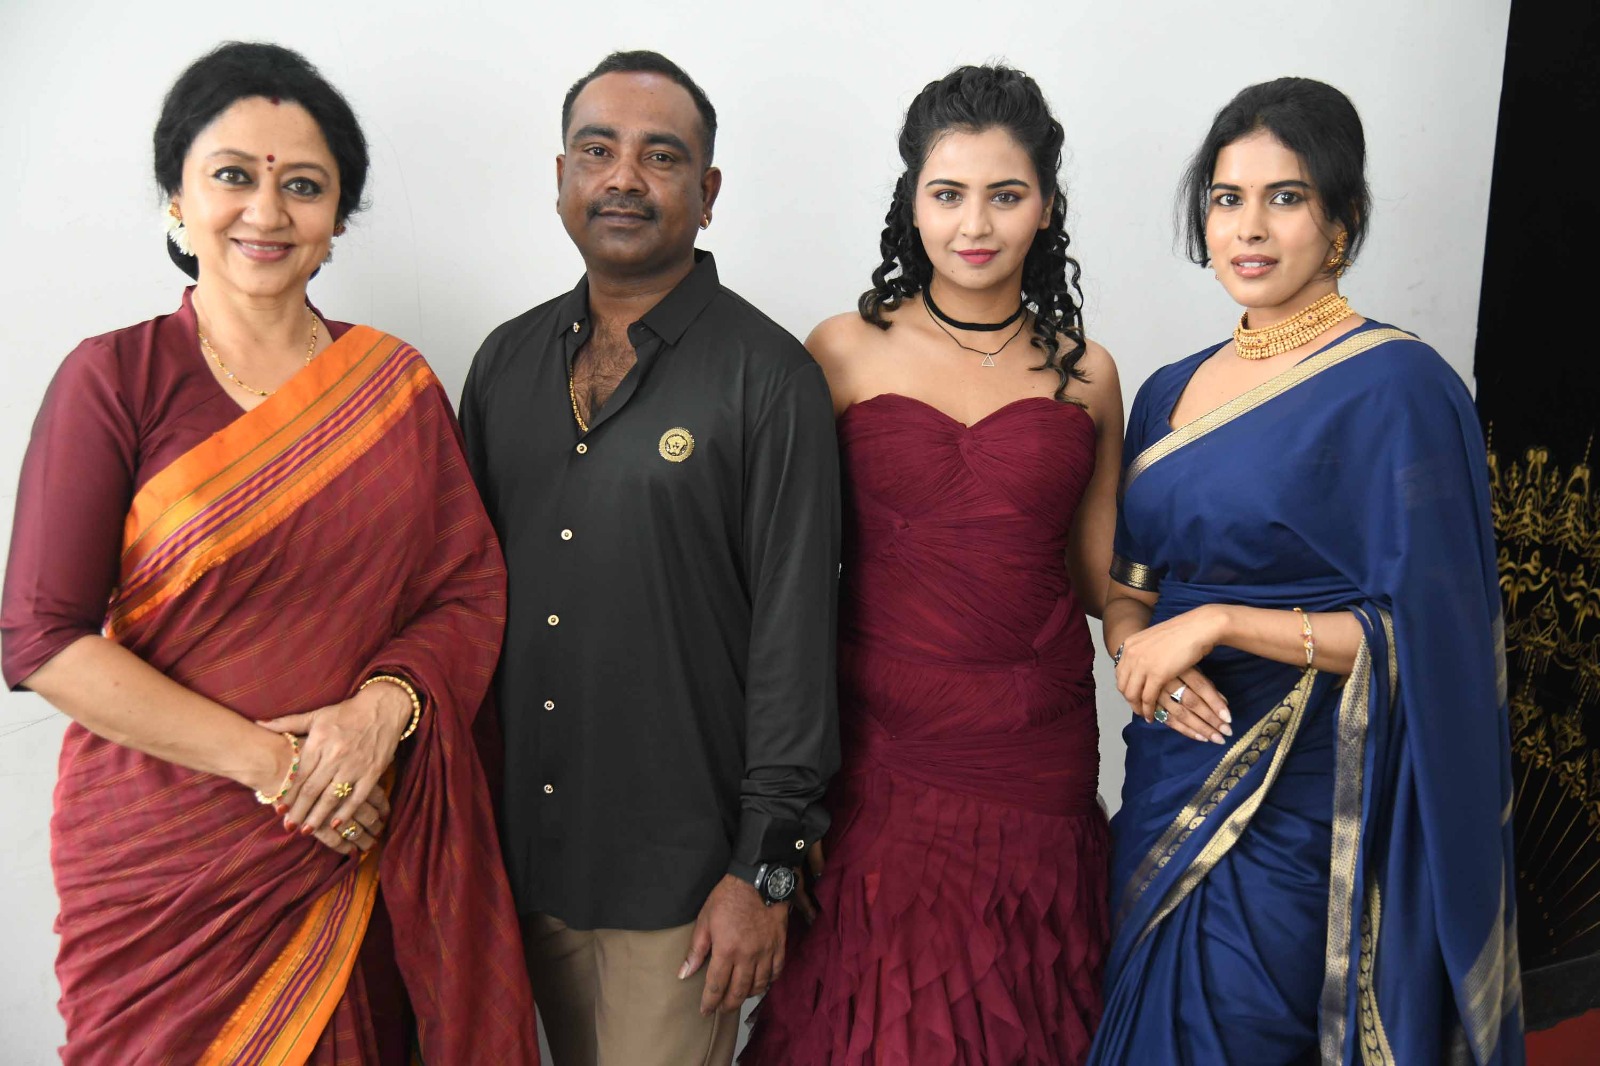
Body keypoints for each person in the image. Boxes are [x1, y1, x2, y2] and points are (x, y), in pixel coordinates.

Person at [0, 42, 538, 1063]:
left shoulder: (393, 387)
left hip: (355, 841)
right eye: (233, 175)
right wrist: (283, 770)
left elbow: (467, 589)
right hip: (167, 871)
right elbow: (42, 639)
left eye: (302, 186)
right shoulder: (116, 379)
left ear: (337, 218)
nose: (266, 210)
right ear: (177, 198)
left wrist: (382, 713)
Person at [1087, 78, 1522, 1064]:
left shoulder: (1399, 387)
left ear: (1342, 219)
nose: (1248, 227)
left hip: (1306, 807)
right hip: (1171, 773)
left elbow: (1433, 638)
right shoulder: (1166, 391)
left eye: (1285, 197)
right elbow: (1128, 591)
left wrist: (1219, 624)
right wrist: (1142, 657)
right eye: (1226, 198)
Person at [458, 50, 840, 1065]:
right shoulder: (502, 365)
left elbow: (795, 639)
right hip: (516, 864)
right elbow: (459, 605)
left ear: (707, 193)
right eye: (598, 151)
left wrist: (763, 871)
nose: (623, 177)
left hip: (683, 887)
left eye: (660, 157)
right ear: (561, 177)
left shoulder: (770, 378)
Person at [743, 64, 1123, 1065]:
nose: (975, 224)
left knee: (1026, 1010)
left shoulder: (1087, 372)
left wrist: (1234, 596)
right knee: (874, 1016)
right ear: (911, 202)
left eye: (1006, 194)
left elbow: (1101, 579)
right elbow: (782, 569)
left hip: (1035, 750)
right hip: (880, 749)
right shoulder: (839, 349)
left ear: (1047, 206)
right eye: (948, 194)